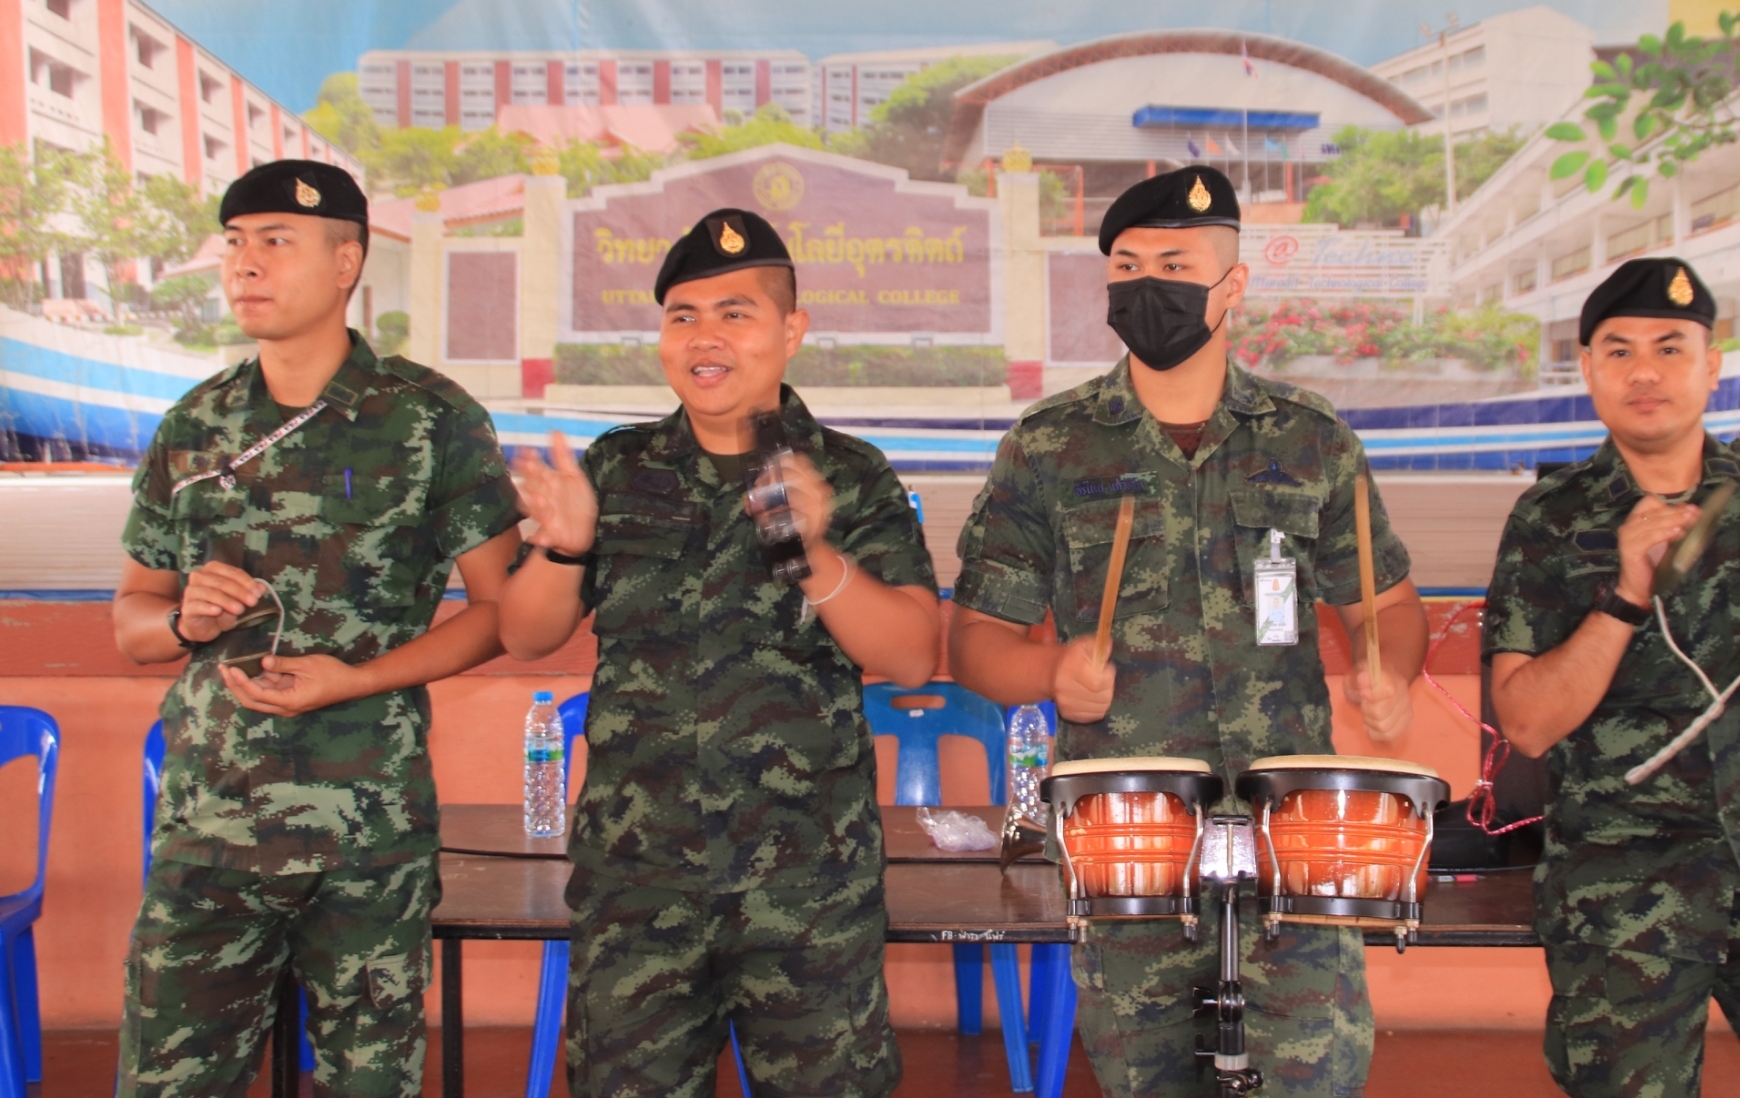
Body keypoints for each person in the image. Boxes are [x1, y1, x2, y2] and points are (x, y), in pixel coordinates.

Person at [947, 167, 1431, 1097]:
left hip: (1294, 837)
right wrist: (1050, 669)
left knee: (1316, 1078)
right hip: (1131, 838)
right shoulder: (1050, 445)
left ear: (1233, 284)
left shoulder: (1310, 439)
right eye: (1127, 265)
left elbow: (1387, 606)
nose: (1147, 284)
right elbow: (973, 643)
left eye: (1175, 262)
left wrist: (1389, 670)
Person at [498, 208, 941, 1098]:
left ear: (790, 330)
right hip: (637, 885)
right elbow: (523, 633)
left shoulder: (849, 475)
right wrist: (567, 545)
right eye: (682, 316)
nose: (705, 337)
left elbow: (915, 656)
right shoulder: (617, 469)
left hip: (806, 887)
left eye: (734, 313)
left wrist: (815, 552)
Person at [111, 160, 524, 1097]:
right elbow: (131, 622)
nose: (245, 265)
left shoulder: (428, 419)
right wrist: (183, 618)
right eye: (234, 244)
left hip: (366, 831)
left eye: (275, 242)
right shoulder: (196, 423)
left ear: (348, 261)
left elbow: (500, 615)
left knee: (368, 1083)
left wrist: (356, 678)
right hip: (208, 829)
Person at [1485, 256, 1740, 1098]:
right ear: (1589, 370)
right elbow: (1526, 722)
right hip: (1624, 892)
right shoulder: (1552, 520)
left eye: (1672, 348)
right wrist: (1625, 595)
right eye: (1620, 350)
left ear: (1713, 366)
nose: (1646, 371)